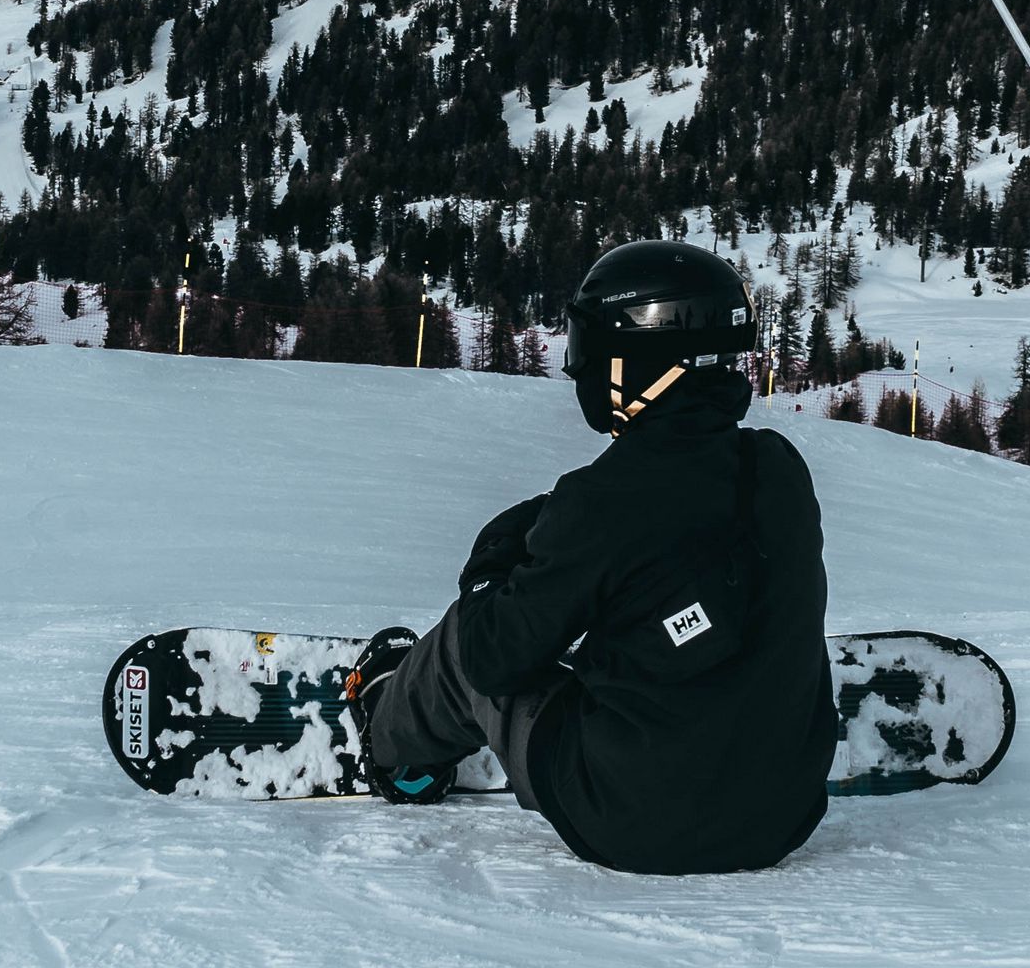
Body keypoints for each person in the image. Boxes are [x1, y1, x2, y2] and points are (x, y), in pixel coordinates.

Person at [348, 241, 836, 875]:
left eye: (587, 347)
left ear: (633, 357)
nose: (579, 367)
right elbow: (671, 527)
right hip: (780, 819)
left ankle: (395, 747)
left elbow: (493, 657)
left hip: (631, 821)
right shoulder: (779, 469)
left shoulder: (603, 503)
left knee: (466, 645)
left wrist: (490, 568)